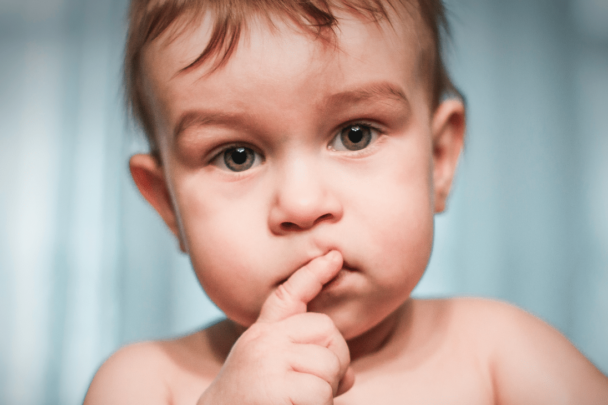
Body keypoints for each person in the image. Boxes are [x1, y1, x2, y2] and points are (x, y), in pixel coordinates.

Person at [84, 0, 608, 403]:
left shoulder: (501, 351)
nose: (303, 204)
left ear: (440, 158)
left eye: (355, 134)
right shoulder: (146, 382)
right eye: (237, 155)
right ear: (168, 205)